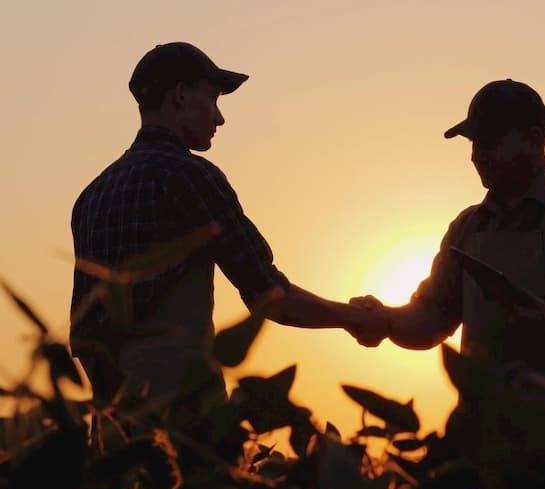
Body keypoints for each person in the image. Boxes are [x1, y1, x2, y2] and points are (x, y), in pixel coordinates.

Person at [69, 42, 379, 403]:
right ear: (181, 96)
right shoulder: (190, 176)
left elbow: (84, 336)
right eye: (213, 99)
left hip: (114, 435)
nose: (219, 118)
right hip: (184, 426)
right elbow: (270, 296)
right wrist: (355, 317)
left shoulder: (90, 197)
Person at [349, 79, 545, 372]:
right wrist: (384, 320)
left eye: (490, 142)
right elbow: (432, 320)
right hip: (480, 419)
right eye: (474, 144)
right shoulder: (466, 229)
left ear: (535, 140)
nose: (478, 156)